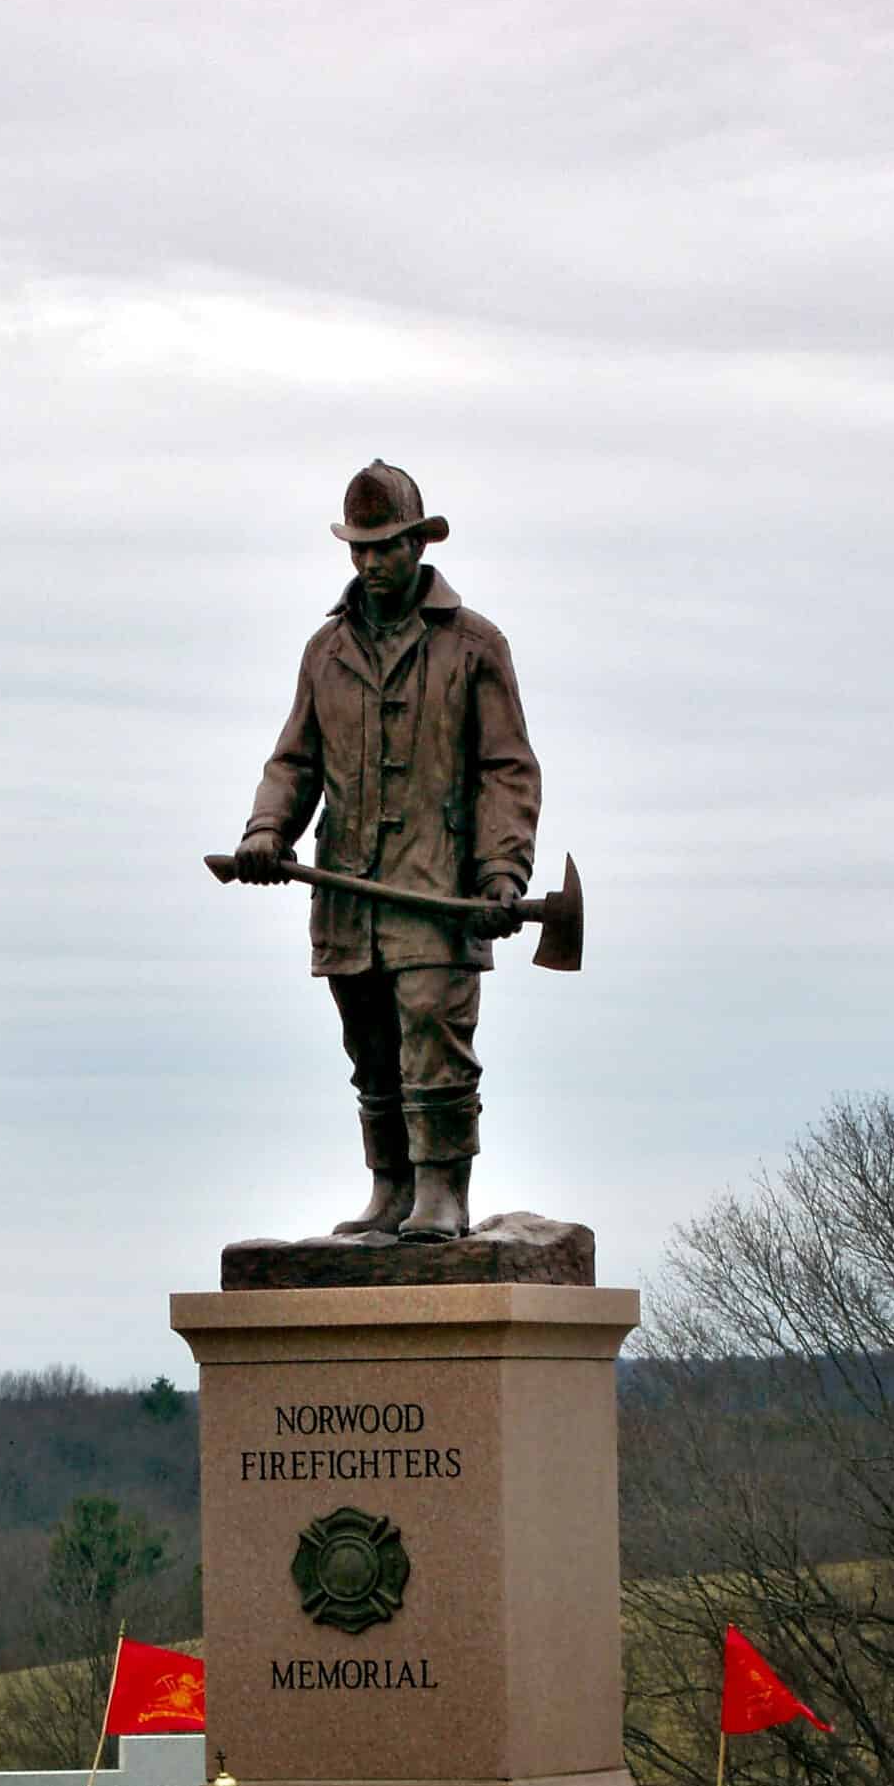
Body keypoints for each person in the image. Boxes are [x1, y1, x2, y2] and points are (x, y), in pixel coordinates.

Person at [233, 461, 541, 1241]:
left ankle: (443, 1191)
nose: (369, 564)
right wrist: (268, 831)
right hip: (346, 892)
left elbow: (506, 768)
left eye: (383, 548)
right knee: (370, 1049)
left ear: (416, 544)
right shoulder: (326, 650)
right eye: (358, 550)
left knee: (434, 1041)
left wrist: (502, 868)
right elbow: (296, 759)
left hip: (435, 891)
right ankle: (391, 1186)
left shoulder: (474, 646)